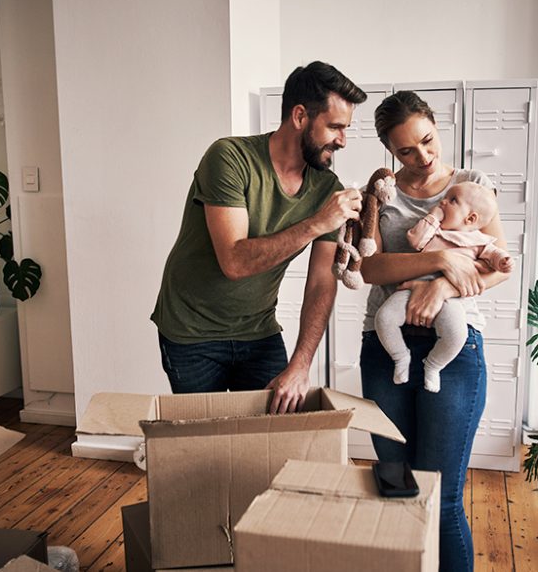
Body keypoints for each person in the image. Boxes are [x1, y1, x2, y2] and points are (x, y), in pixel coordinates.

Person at [151, 61, 367, 414]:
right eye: (335, 127)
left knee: (274, 436)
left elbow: (321, 283)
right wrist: (317, 222)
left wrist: (300, 365)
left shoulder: (327, 188)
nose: (342, 140)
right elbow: (234, 262)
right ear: (300, 116)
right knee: (204, 443)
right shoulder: (230, 158)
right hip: (191, 331)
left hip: (258, 329)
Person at [360, 90, 510, 572]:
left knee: (440, 498)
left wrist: (442, 289)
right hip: (388, 347)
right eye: (406, 150)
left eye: (428, 141)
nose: (422, 157)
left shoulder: (471, 186)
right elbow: (370, 268)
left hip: (455, 346)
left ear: (436, 127)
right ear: (389, 149)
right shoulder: (382, 194)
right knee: (397, 489)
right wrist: (439, 258)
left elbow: (499, 266)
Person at [375, 181, 513, 393]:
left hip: (450, 298)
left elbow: (494, 257)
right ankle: (401, 357)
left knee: (457, 334)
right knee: (384, 318)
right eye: (445, 197)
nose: (443, 202)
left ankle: (433, 365)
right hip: (414, 287)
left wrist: (503, 260)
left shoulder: (478, 241)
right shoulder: (434, 231)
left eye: (452, 201)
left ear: (471, 218)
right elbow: (415, 239)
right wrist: (434, 216)